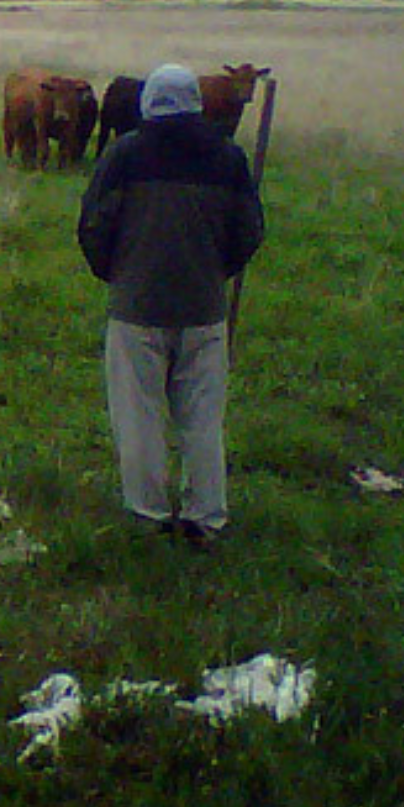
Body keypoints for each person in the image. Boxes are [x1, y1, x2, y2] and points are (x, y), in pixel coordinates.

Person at [77, 63, 265, 548]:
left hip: (136, 307)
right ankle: (206, 517)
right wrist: (215, 272)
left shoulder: (124, 155)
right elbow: (248, 232)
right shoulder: (228, 158)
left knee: (138, 412)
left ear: (148, 104)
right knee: (203, 417)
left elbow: (94, 226)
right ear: (196, 103)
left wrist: (116, 273)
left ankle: (148, 513)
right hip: (204, 308)